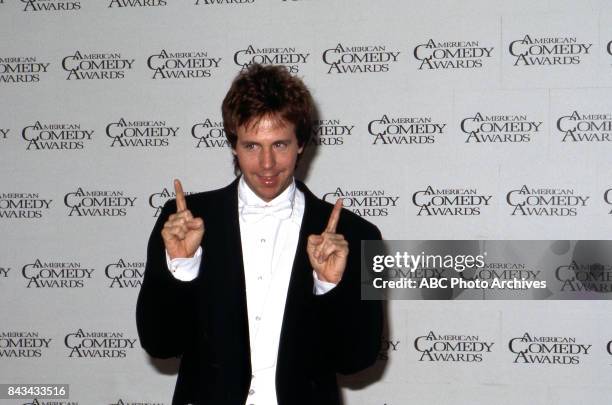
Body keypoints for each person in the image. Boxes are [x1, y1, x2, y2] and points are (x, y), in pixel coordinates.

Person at [136, 64, 383, 405]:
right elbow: (159, 343)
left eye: (279, 144)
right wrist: (181, 264)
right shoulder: (183, 221)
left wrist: (330, 287)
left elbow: (357, 359)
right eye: (252, 146)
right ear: (233, 144)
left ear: (301, 144)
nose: (267, 164)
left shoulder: (354, 234)